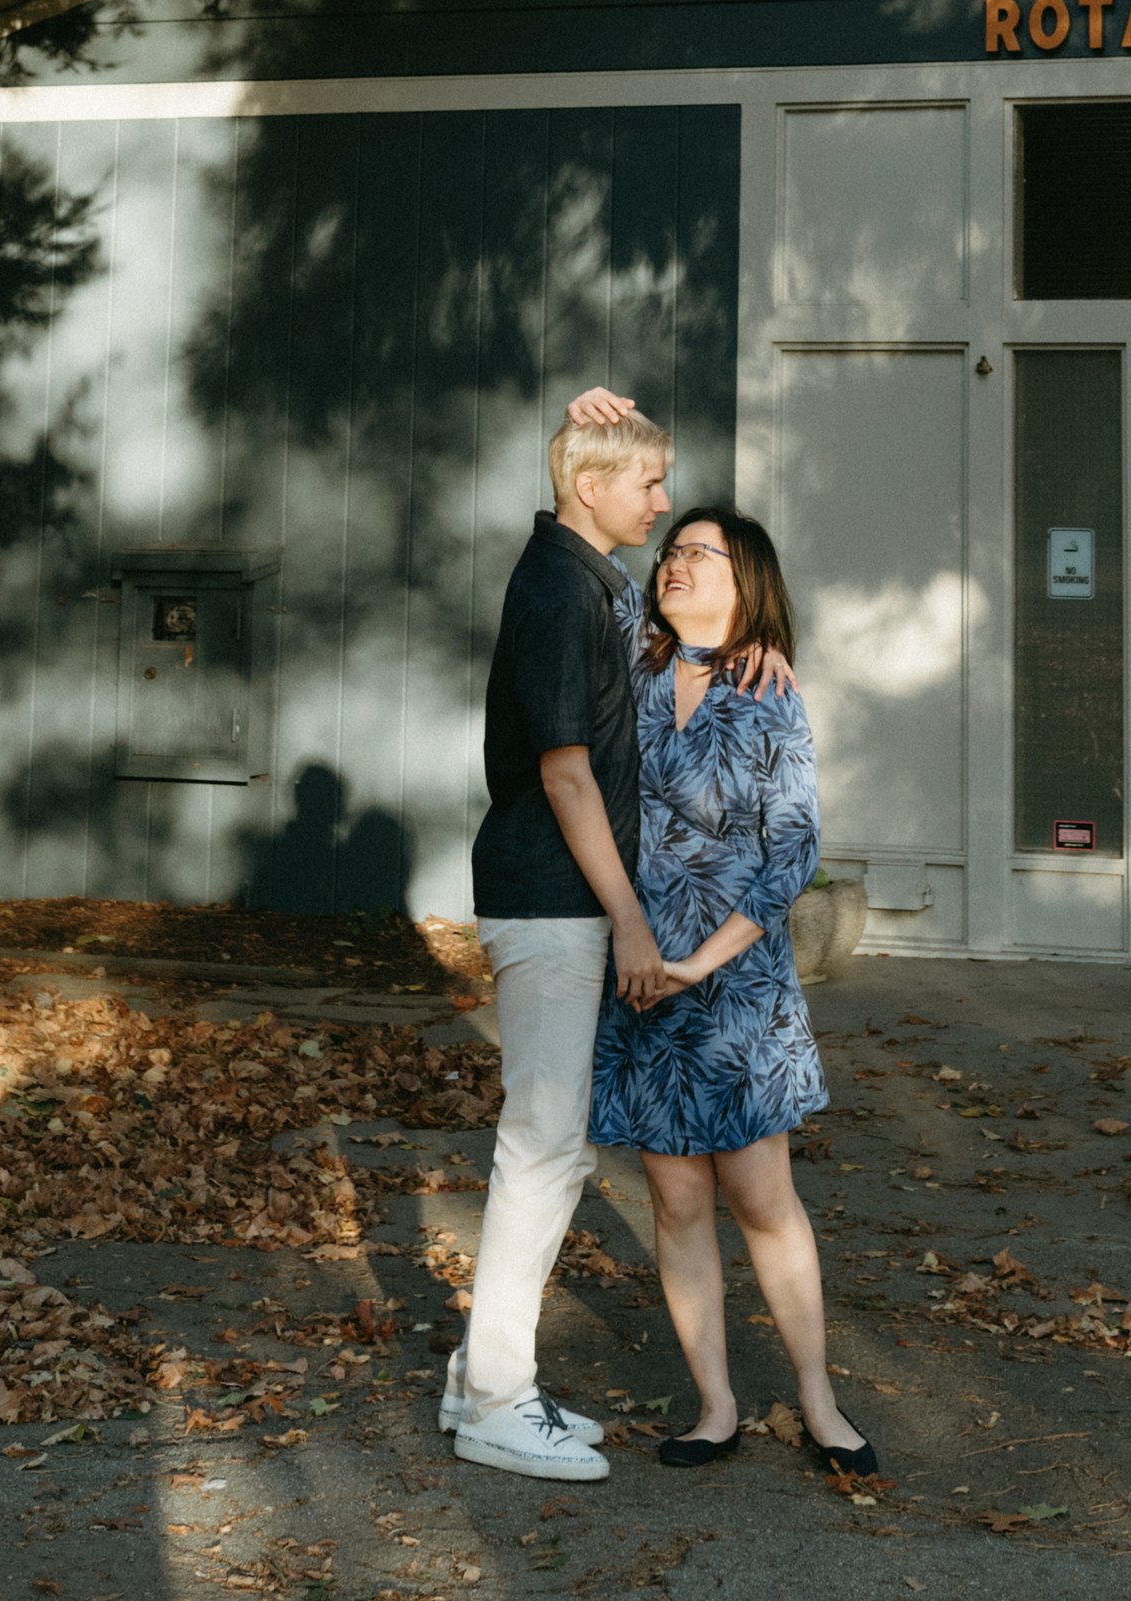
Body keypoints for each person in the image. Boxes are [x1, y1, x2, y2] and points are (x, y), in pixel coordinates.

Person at [590, 506, 877, 1478]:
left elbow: (792, 845)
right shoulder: (632, 662)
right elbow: (586, 544)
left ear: (744, 577)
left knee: (760, 1192)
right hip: (636, 979)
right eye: (669, 550)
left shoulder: (768, 691)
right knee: (674, 1200)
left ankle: (818, 1399)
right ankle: (715, 1404)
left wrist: (702, 962)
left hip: (736, 981)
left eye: (695, 553)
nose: (672, 563)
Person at [449, 403, 676, 1483]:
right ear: (591, 486)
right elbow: (563, 768)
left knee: (556, 1145)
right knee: (539, 1144)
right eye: (649, 479)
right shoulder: (553, 585)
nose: (662, 500)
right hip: (551, 899)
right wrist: (628, 915)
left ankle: (477, 1382)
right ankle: (497, 1396)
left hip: (563, 897)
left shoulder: (590, 579)